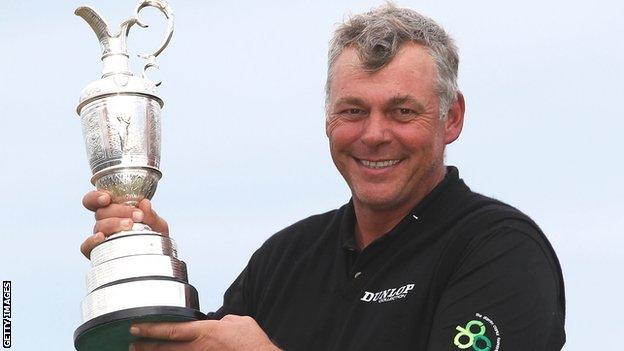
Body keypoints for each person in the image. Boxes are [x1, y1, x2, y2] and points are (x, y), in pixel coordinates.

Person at [80, 4, 566, 351]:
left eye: (402, 111)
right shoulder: (284, 259)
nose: (374, 135)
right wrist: (152, 271)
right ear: (327, 119)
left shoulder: (499, 250)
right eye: (353, 110)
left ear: (451, 118)